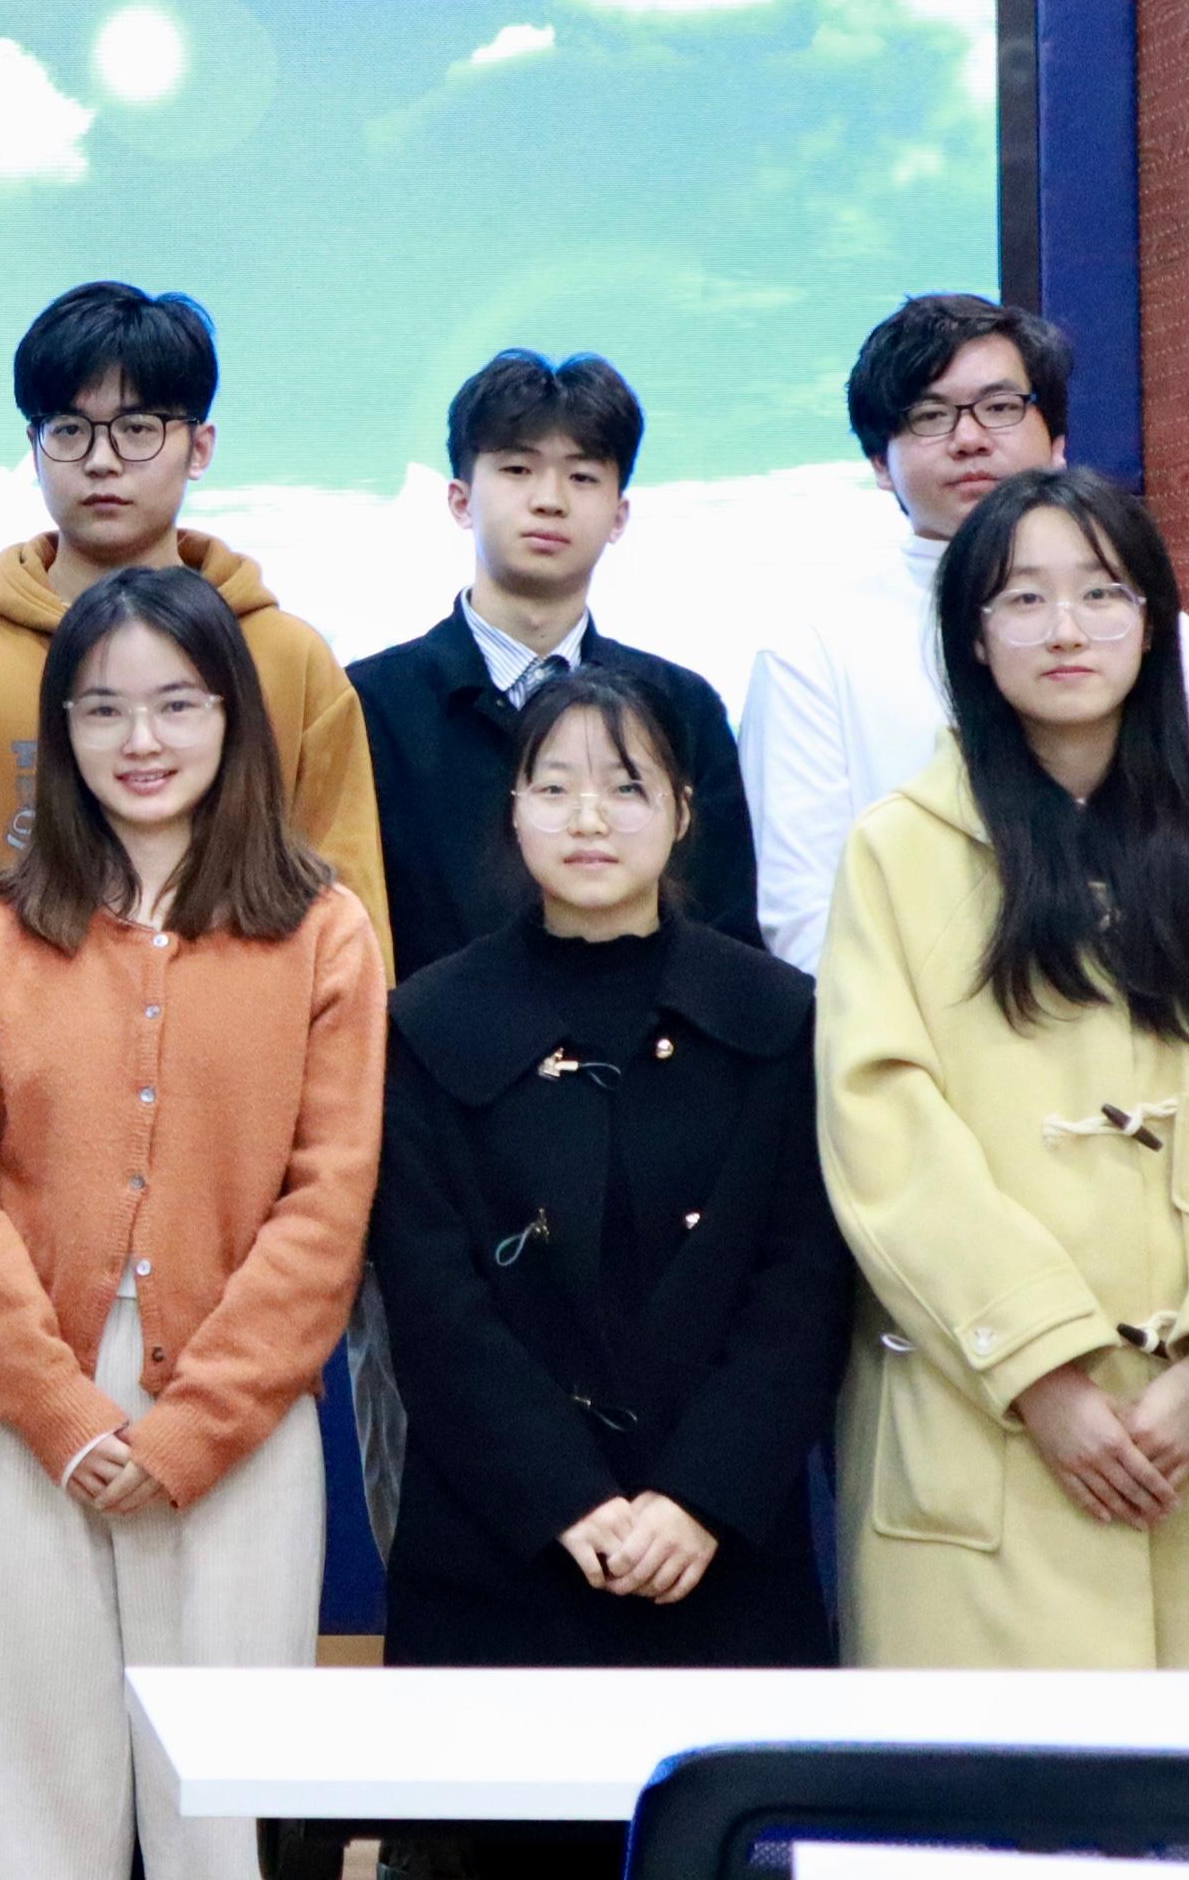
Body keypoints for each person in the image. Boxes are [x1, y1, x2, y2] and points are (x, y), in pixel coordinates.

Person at [821, 467, 1189, 1668]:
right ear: (973, 638)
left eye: (1100, 593)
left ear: (1154, 622)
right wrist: (1043, 1371)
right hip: (988, 1440)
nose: (1065, 629)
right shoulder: (895, 852)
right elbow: (882, 1132)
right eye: (1023, 599)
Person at [0, 567, 380, 1880]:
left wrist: (191, 1427)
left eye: (178, 704)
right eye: (103, 708)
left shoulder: (323, 930)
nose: (142, 740)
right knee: (27, 1809)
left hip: (238, 1414)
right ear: (61, 731)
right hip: (27, 1411)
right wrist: (62, 1414)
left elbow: (328, 1199)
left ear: (234, 715)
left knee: (224, 1818)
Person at [374, 671, 846, 1746]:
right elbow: (433, 1299)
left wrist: (699, 1498)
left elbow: (802, 1284)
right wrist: (563, 1498)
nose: (588, 818)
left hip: (722, 1548)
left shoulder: (776, 1015)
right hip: (499, 1544)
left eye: (627, 787)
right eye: (555, 787)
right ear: (513, 810)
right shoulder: (428, 1021)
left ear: (683, 812)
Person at [741, 294, 1189, 973]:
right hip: (910, 1025)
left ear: (1057, 441)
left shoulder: (1155, 632)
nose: (969, 439)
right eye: (930, 415)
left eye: (1001, 407)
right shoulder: (813, 648)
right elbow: (809, 918)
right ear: (880, 463)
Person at [0, 281, 386, 947]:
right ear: (34, 447)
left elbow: (350, 921)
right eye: (69, 430)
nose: (101, 461)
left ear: (200, 447)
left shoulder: (289, 660)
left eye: (137, 429)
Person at [352, 349, 757, 978]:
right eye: (517, 469)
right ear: (460, 500)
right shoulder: (367, 705)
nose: (549, 500)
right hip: (424, 1037)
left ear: (620, 515)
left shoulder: (682, 707)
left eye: (583, 476)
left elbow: (725, 934)